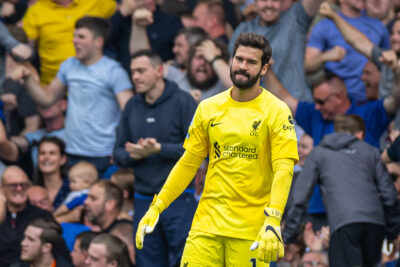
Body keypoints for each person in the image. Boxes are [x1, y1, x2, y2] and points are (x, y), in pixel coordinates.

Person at [135, 32, 298, 266]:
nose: (242, 66)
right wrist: (157, 206)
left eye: (251, 62)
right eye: (239, 59)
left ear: (263, 69)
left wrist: (273, 218)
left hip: (251, 232)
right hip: (205, 228)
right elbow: (189, 162)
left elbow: (284, 169)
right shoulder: (207, 108)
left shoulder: (277, 111)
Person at [13, 16, 134, 176]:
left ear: (98, 41)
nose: (75, 41)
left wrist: (121, 147)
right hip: (71, 152)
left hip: (104, 154)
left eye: (81, 37)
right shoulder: (69, 65)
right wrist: (28, 78)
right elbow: (46, 98)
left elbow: (130, 112)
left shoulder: (113, 71)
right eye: (74, 36)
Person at [113, 50, 198, 266]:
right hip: (144, 199)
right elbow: (118, 154)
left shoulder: (184, 102)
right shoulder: (132, 105)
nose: (135, 77)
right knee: (147, 263)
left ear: (159, 71)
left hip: (179, 198)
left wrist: (159, 149)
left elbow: (197, 150)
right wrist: (136, 154)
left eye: (141, 71)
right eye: (132, 72)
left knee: (186, 261)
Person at [283, 114, 397, 267]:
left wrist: (288, 236)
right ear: (360, 134)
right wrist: (392, 232)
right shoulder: (370, 151)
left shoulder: (319, 153)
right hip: (374, 224)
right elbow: (389, 193)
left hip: (344, 223)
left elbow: (300, 197)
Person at [229, 0, 323, 101]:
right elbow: (235, 75)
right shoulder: (243, 30)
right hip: (263, 109)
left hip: (298, 106)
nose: (269, 4)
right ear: (255, 3)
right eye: (263, 0)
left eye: (275, 0)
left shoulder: (296, 18)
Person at [305, 0, 390, 103]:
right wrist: (325, 56)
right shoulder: (324, 26)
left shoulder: (378, 26)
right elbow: (307, 66)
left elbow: (388, 63)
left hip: (370, 100)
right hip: (338, 101)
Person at [22, 0, 116, 85]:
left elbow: (122, 11)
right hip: (53, 85)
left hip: (95, 83)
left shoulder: (96, 2)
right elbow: (26, 51)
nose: (74, 41)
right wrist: (30, 73)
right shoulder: (36, 10)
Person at [0, 166, 52, 266]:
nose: (19, 189)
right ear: (2, 188)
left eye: (23, 185)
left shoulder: (42, 215)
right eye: (13, 185)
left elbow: (56, 249)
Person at [35, 136, 70, 210]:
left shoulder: (71, 188)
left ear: (62, 159)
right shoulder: (33, 190)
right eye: (42, 153)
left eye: (52, 153)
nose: (46, 157)